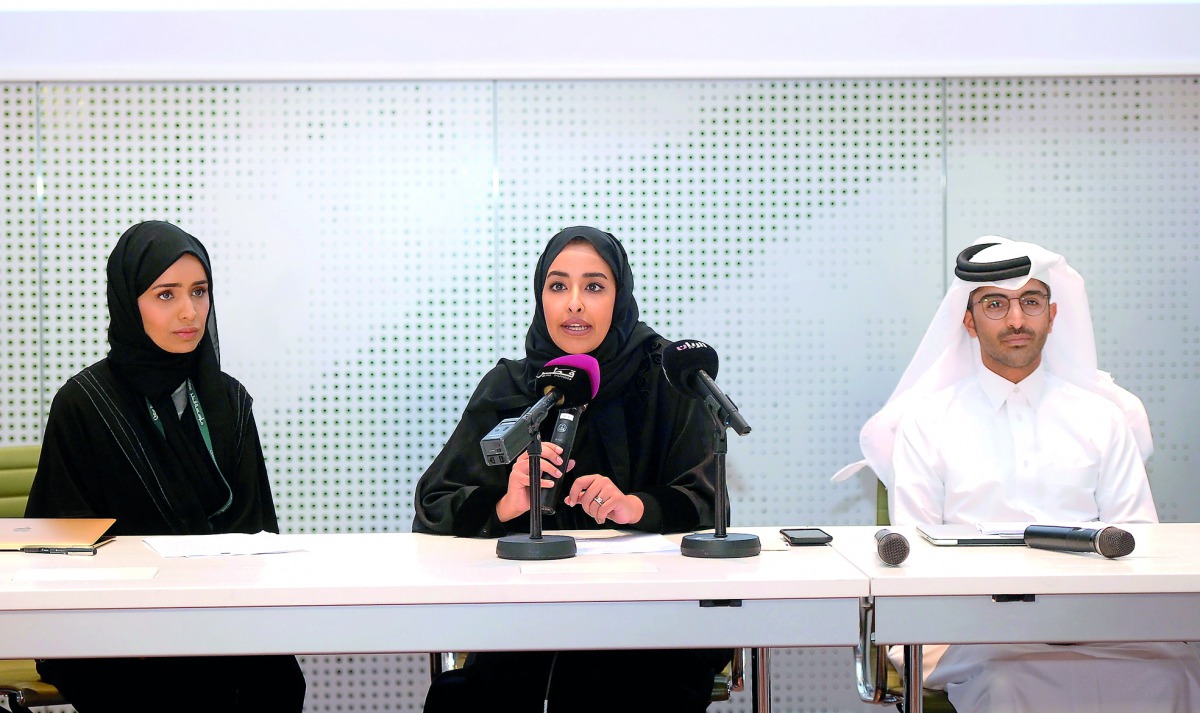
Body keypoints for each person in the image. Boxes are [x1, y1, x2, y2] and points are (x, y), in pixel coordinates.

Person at [837, 236, 1200, 712]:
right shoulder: (927, 422)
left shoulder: (1102, 418)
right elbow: (917, 556)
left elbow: (1137, 541)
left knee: (1172, 674)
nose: (1015, 319)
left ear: (1052, 315)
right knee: (1009, 680)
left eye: (1030, 302)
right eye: (995, 304)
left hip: (1099, 621)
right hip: (972, 629)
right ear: (967, 321)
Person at [414, 226, 729, 712]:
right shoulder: (511, 387)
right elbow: (435, 508)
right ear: (541, 296)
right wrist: (506, 503)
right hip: (524, 626)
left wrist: (634, 507)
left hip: (649, 628)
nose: (574, 304)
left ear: (619, 297)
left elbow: (708, 505)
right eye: (558, 286)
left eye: (594, 286)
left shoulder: (668, 382)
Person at [26, 221, 306, 713]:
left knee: (273, 684)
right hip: (118, 627)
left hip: (221, 617)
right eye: (165, 294)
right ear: (128, 302)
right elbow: (61, 545)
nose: (188, 312)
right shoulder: (85, 403)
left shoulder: (229, 401)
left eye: (200, 292)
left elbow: (256, 530)